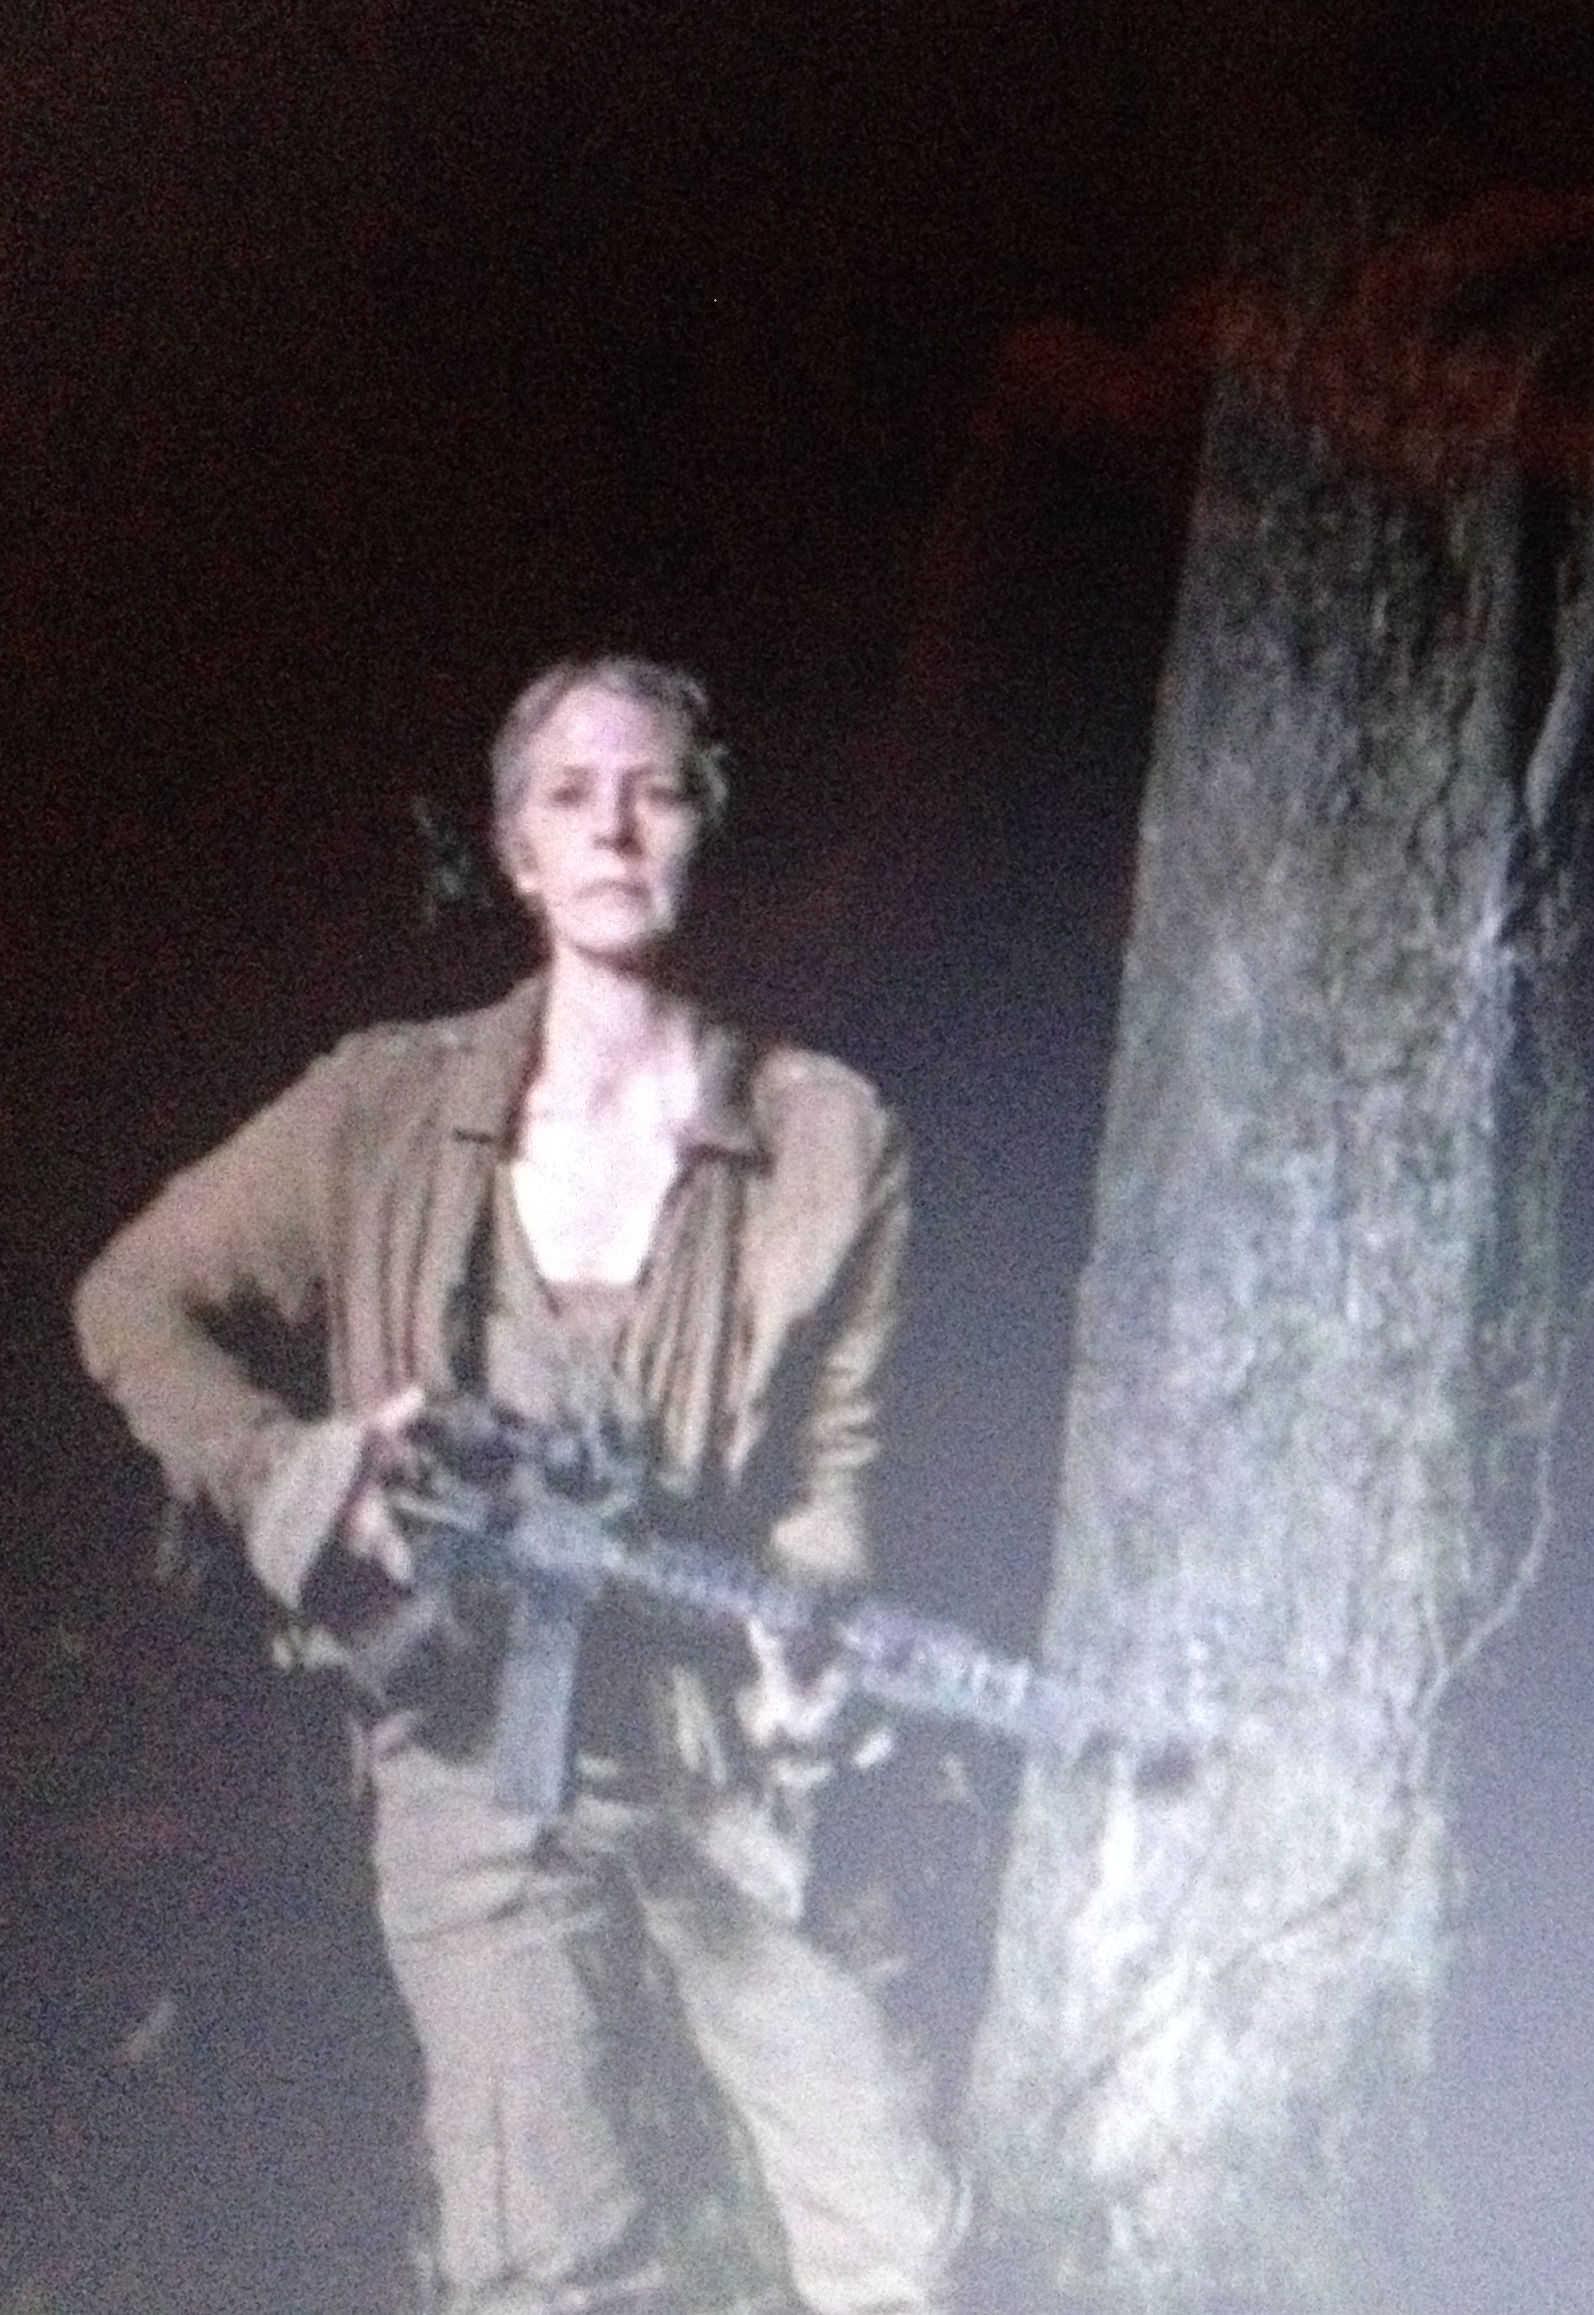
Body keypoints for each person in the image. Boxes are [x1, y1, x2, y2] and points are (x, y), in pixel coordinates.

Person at [75, 657, 963, 2315]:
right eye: (571, 796)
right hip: (471, 1745)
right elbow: (130, 1301)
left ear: (706, 827)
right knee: (553, 2266)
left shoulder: (832, 1138)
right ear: (518, 854)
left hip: (716, 1753)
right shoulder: (383, 1109)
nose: (616, 828)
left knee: (899, 2240)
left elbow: (835, 1473)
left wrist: (806, 1622)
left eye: (658, 791)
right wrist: (299, 1478)